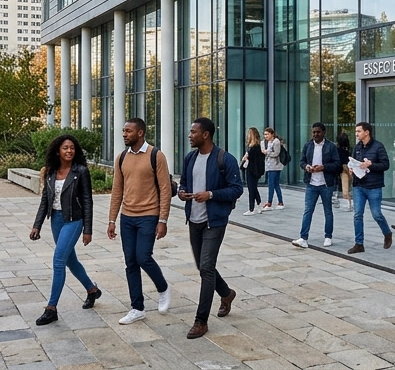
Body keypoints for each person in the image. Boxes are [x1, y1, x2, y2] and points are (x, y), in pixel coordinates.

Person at [178, 117, 243, 339]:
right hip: (194, 220)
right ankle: (226, 293)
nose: (189, 135)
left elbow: (236, 189)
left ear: (205, 134)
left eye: (193, 132)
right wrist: (182, 193)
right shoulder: (190, 158)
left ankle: (201, 321)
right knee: (203, 266)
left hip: (214, 221)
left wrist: (211, 194)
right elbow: (184, 182)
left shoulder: (225, 159)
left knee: (206, 267)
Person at [107, 118, 174, 325]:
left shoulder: (156, 155)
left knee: (143, 257)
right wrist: (112, 219)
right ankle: (137, 308)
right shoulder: (121, 158)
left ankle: (163, 288)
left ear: (140, 133)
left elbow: (165, 189)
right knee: (130, 262)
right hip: (127, 217)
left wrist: (162, 219)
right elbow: (117, 190)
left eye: (128, 131)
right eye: (123, 131)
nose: (124, 134)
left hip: (149, 215)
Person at [30, 135, 101, 326]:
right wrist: (37, 225)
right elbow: (45, 200)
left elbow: (87, 200)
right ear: (57, 151)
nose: (69, 151)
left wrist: (88, 229)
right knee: (71, 260)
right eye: (65, 148)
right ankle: (92, 290)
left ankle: (51, 308)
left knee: (58, 260)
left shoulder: (81, 171)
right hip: (56, 220)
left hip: (74, 220)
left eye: (72, 148)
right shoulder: (50, 172)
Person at [345, 121, 393, 254]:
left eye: (359, 131)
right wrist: (351, 168)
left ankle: (387, 233)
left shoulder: (378, 147)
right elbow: (353, 162)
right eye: (356, 131)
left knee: (376, 214)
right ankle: (359, 243)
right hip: (359, 185)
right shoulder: (357, 147)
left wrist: (371, 165)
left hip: (373, 186)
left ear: (367, 132)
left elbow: (385, 165)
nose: (357, 134)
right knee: (357, 214)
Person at [293, 122, 341, 248]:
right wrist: (306, 167)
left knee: (328, 211)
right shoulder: (308, 145)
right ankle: (303, 238)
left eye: (318, 132)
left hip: (326, 184)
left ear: (324, 133)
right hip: (311, 183)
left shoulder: (331, 146)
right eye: (314, 132)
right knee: (308, 210)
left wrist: (323, 167)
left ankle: (328, 236)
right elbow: (302, 161)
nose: (315, 134)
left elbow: (337, 164)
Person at [240, 127, 265, 216]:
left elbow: (248, 157)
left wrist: (245, 157)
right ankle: (259, 205)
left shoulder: (253, 147)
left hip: (251, 170)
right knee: (254, 188)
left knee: (251, 189)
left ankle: (251, 209)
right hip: (256, 170)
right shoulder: (257, 146)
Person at [262, 127, 285, 210]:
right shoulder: (265, 142)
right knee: (275, 184)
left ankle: (269, 202)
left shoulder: (276, 142)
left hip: (275, 166)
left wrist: (267, 152)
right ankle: (280, 202)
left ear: (272, 134)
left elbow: (276, 153)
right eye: (264, 134)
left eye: (267, 134)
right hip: (268, 166)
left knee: (271, 184)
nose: (265, 136)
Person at [335, 130, 352, 210]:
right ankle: (348, 203)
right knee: (346, 188)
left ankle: (338, 201)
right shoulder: (347, 151)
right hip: (345, 171)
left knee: (338, 187)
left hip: (337, 170)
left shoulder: (336, 150)